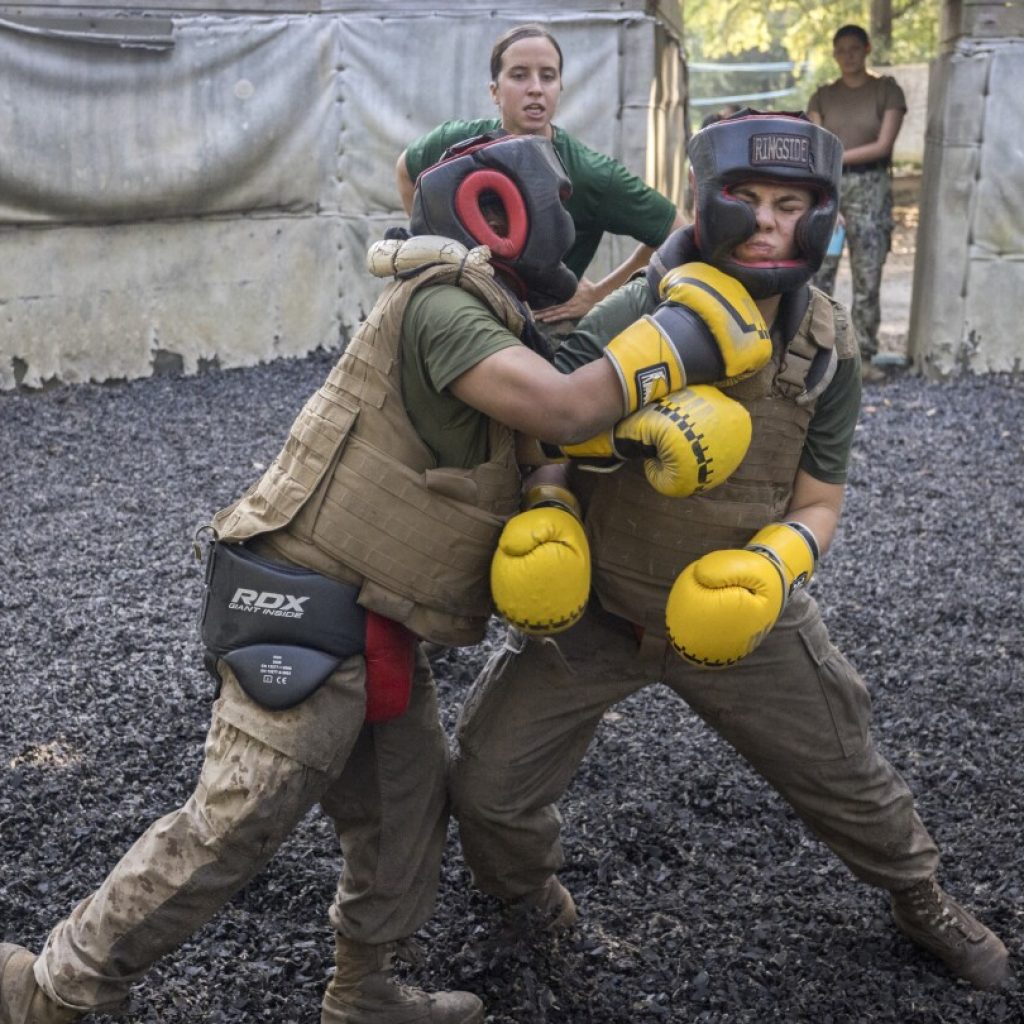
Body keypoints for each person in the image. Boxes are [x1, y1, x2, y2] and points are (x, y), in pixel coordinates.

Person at [0, 133, 772, 1024]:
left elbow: (561, 403)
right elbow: (564, 405)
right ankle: (53, 989)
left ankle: (363, 993)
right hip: (304, 603)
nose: (575, 222)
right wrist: (682, 333)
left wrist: (674, 265)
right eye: (561, 202)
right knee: (232, 824)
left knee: (405, 814)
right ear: (498, 206)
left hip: (382, 620)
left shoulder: (498, 313)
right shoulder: (442, 306)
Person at [450, 111, 1010, 995]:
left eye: (790, 204)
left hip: (745, 619)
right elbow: (549, 428)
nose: (766, 222)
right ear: (708, 204)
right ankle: (529, 903)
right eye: (745, 199)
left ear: (821, 215)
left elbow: (821, 501)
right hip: (599, 610)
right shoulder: (645, 305)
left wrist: (776, 567)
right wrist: (550, 506)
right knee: (485, 785)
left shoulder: (824, 345)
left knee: (851, 776)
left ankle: (919, 894)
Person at [395, 22, 685, 325]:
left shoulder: (588, 174)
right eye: (519, 75)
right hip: (454, 311)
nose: (535, 88)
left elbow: (677, 231)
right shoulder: (453, 144)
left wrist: (599, 295)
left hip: (537, 330)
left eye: (548, 76)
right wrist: (431, 248)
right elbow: (406, 169)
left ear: (559, 88)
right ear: (494, 91)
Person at [807, 24, 907, 375]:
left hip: (871, 189)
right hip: (829, 188)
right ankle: (819, 353)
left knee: (868, 273)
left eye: (853, 48)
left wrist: (836, 156)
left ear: (866, 49)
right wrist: (827, 179)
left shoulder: (886, 90)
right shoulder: (822, 96)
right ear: (834, 55)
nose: (847, 56)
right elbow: (817, 145)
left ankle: (863, 355)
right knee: (821, 272)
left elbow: (883, 144)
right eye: (840, 50)